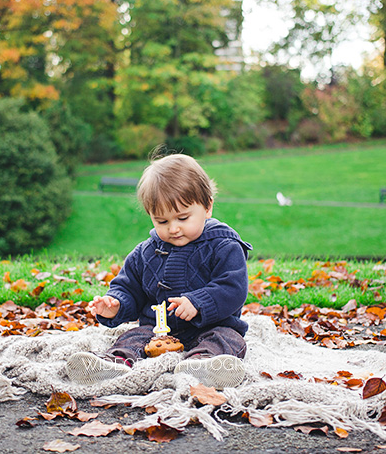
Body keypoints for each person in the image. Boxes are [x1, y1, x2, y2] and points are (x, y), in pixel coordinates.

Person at [65, 152, 252, 389]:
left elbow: (233, 288)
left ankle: (203, 364)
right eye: (162, 221)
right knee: (132, 337)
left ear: (207, 207)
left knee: (227, 339)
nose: (173, 228)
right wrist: (115, 305)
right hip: (157, 330)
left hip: (211, 326)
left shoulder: (223, 245)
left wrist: (198, 303)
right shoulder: (145, 253)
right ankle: (114, 363)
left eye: (183, 218)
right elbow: (128, 287)